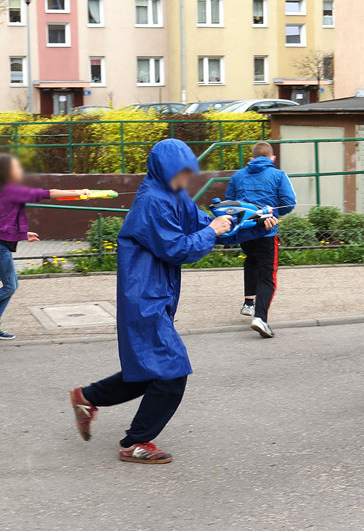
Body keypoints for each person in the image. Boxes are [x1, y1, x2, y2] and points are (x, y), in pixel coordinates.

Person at [69, 139, 271, 464]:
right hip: (144, 296)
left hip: (157, 293)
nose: (186, 178)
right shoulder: (153, 201)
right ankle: (135, 442)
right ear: (165, 169)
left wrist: (255, 226)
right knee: (173, 371)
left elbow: (209, 226)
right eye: (181, 171)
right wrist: (214, 230)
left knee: (151, 369)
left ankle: (87, 397)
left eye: (188, 171)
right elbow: (177, 247)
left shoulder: (174, 195)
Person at [0, 154, 89, 340]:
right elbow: (47, 193)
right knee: (9, 286)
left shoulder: (2, 191)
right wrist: (77, 192)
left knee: (11, 285)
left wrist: (22, 234)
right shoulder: (12, 190)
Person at [225, 141, 296, 338]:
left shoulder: (238, 175)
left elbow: (230, 202)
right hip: (267, 232)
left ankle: (249, 303)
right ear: (272, 158)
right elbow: (289, 203)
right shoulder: (278, 175)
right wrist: (273, 214)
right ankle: (260, 318)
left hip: (245, 233)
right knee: (268, 277)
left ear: (252, 159)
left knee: (251, 261)